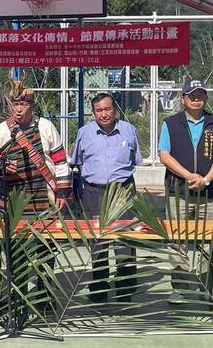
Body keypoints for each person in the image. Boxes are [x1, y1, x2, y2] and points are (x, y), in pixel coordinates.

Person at [157, 78, 213, 303]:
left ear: (206, 98)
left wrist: (206, 180)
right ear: (183, 99)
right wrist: (189, 176)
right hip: (178, 193)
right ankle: (179, 287)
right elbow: (164, 155)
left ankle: (206, 287)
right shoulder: (170, 124)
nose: (196, 99)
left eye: (200, 95)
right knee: (176, 241)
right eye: (192, 95)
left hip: (210, 194)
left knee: (209, 242)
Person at [71, 93, 142, 302]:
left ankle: (125, 289)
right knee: (98, 241)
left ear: (115, 109)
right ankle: (100, 286)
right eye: (99, 110)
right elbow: (78, 161)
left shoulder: (129, 130)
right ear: (93, 113)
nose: (104, 114)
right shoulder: (84, 133)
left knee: (124, 240)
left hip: (123, 191)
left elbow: (135, 160)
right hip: (94, 193)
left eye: (107, 109)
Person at [0, 73, 71, 214]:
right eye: (15, 104)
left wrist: (62, 192)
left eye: (23, 104)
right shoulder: (1, 130)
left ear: (32, 106)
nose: (18, 109)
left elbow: (60, 161)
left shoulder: (46, 126)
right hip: (12, 199)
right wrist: (0, 166)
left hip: (45, 197)